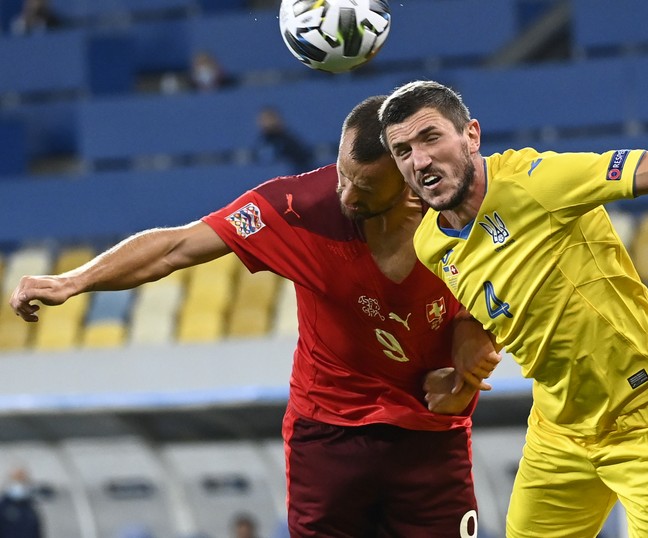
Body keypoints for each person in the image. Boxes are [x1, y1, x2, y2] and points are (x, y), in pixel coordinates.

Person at [9, 95, 500, 537]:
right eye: (343, 175)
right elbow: (176, 246)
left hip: (433, 434)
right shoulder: (297, 208)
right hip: (328, 435)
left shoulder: (462, 212)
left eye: (366, 187)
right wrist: (73, 281)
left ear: (408, 175)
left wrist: (473, 348)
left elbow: (494, 302)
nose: (347, 196)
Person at [379, 80, 648, 538]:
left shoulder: (538, 181)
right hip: (559, 429)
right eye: (403, 150)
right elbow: (499, 302)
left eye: (430, 138)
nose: (419, 160)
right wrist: (462, 368)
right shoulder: (429, 244)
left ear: (471, 136)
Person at [253, 106, 314, 172]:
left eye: (268, 118)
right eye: (262, 119)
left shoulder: (288, 140)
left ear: (277, 119)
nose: (266, 122)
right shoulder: (262, 141)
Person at [0, 466, 43, 538]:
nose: (19, 484)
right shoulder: (3, 508)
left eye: (22, 480)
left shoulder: (30, 509)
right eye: (16, 479)